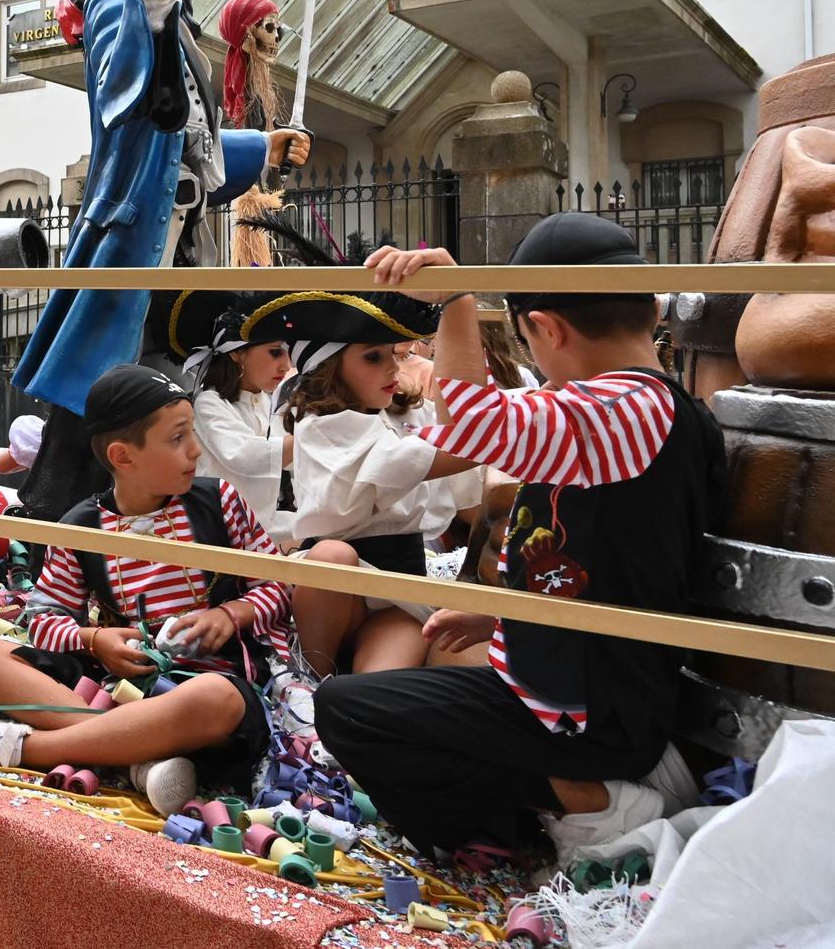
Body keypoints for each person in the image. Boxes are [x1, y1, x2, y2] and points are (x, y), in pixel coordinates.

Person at [315, 216, 723, 863]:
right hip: (584, 683)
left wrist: (454, 297)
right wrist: (504, 607)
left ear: (547, 329)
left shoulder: (622, 409)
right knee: (385, 694)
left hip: (594, 710)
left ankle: (583, 801)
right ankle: (549, 808)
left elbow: (471, 424)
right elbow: (613, 552)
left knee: (349, 710)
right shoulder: (641, 406)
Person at [11, 0, 310, 521]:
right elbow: (126, 97)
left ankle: (143, 528)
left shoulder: (166, 11)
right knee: (101, 395)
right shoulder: (118, 1)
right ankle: (50, 529)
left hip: (175, 241)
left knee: (161, 392)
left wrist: (263, 147)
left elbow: (189, 143)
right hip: (134, 237)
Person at [0, 365, 288, 816]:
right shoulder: (82, 527)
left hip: (205, 686)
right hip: (118, 687)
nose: (195, 450)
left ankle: (26, 748)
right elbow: (42, 619)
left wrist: (230, 614)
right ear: (123, 456)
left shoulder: (222, 502)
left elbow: (276, 585)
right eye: (177, 439)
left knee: (217, 697)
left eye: (191, 433)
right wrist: (95, 640)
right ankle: (137, 755)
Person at [279, 291, 483, 677]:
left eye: (395, 354)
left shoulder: (404, 411)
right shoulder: (322, 427)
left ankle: (337, 694)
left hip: (400, 591)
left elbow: (465, 424)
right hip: (336, 587)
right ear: (329, 369)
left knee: (375, 689)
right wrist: (459, 300)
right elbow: (468, 441)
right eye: (373, 357)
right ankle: (307, 683)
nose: (392, 367)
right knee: (333, 558)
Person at [168, 289, 295, 544]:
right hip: (220, 530)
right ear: (237, 353)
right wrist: (314, 432)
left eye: (289, 354)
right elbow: (246, 456)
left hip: (262, 524)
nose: (286, 365)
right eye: (275, 352)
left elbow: (296, 462)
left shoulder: (270, 402)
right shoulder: (208, 403)